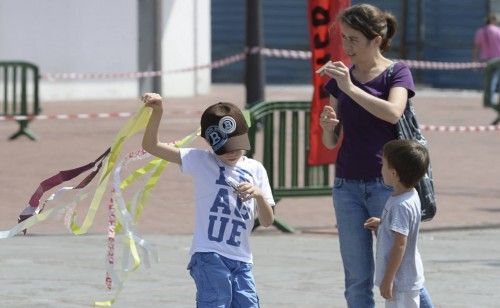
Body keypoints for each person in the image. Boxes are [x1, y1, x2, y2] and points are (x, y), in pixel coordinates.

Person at [316, 3, 434, 308]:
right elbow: (331, 143)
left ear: (376, 39)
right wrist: (328, 127)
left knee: (402, 270)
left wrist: (349, 88)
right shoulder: (341, 79)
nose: (347, 46)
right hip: (347, 187)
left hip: (389, 186)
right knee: (357, 278)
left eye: (354, 39)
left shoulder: (397, 73)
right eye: (344, 38)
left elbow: (393, 113)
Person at [141, 93, 275, 307]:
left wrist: (258, 195)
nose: (232, 153)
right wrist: (157, 112)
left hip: (242, 259)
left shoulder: (255, 169)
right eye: (225, 149)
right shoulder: (200, 160)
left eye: (237, 146)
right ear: (209, 143)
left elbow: (268, 221)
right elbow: (151, 146)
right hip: (209, 254)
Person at [364, 139, 429, 307]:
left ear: (394, 174)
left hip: (401, 282)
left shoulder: (400, 205)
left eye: (383, 165)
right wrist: (383, 223)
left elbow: (400, 243)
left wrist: (388, 278)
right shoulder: (410, 194)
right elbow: (404, 227)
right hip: (407, 277)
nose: (381, 170)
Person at [473, 13, 500, 106]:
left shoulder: (480, 31)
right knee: (494, 80)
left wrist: (474, 60)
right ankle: (490, 101)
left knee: (488, 80)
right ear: (493, 20)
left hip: (485, 59)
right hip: (497, 59)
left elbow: (476, 47)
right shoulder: (498, 31)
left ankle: (487, 100)